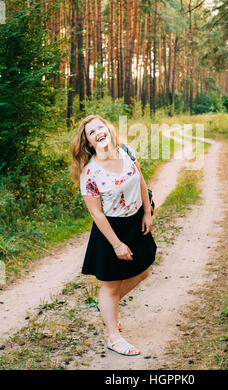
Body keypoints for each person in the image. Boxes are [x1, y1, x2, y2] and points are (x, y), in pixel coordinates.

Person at [70, 114, 157, 356]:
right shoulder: (90, 174)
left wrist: (147, 213)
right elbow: (96, 214)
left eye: (100, 126)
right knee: (110, 286)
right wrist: (117, 244)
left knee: (143, 271)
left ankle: (108, 309)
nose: (98, 131)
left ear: (108, 129)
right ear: (88, 142)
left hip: (134, 222)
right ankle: (113, 336)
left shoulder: (126, 151)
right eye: (91, 132)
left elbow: (140, 179)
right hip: (111, 231)